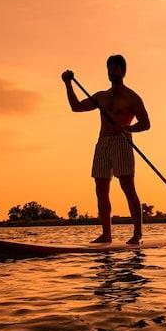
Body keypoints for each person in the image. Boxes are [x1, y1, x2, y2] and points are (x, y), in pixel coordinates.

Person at [62, 54, 150, 244]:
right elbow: (76, 107)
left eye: (116, 69)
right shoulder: (102, 96)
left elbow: (146, 123)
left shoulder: (131, 97)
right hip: (102, 144)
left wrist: (126, 128)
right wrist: (68, 84)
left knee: (128, 187)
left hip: (122, 142)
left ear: (123, 71)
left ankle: (137, 234)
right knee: (100, 189)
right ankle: (106, 234)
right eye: (109, 68)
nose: (112, 72)